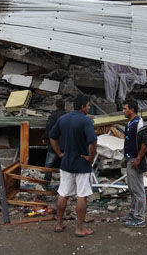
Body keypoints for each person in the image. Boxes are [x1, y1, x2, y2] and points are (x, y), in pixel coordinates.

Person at [49, 94, 97, 237]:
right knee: (82, 195)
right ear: (82, 107)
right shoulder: (85, 121)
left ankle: (59, 224)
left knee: (63, 193)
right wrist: (91, 157)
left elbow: (52, 136)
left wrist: (59, 153)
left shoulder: (63, 119)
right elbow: (93, 142)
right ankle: (80, 228)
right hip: (82, 163)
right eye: (88, 105)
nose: (88, 108)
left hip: (66, 163)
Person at [121, 98, 147, 228]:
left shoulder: (139, 123)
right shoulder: (130, 123)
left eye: (125, 109)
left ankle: (139, 218)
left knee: (138, 189)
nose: (123, 111)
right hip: (130, 158)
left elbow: (146, 142)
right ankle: (133, 213)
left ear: (132, 110)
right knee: (132, 188)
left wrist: (138, 159)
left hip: (135, 160)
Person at [42, 98, 67, 185]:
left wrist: (45, 138)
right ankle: (65, 182)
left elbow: (48, 129)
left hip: (54, 144)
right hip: (65, 145)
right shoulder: (68, 116)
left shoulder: (53, 116)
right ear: (65, 106)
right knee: (65, 164)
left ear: (56, 107)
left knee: (49, 162)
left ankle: (46, 181)